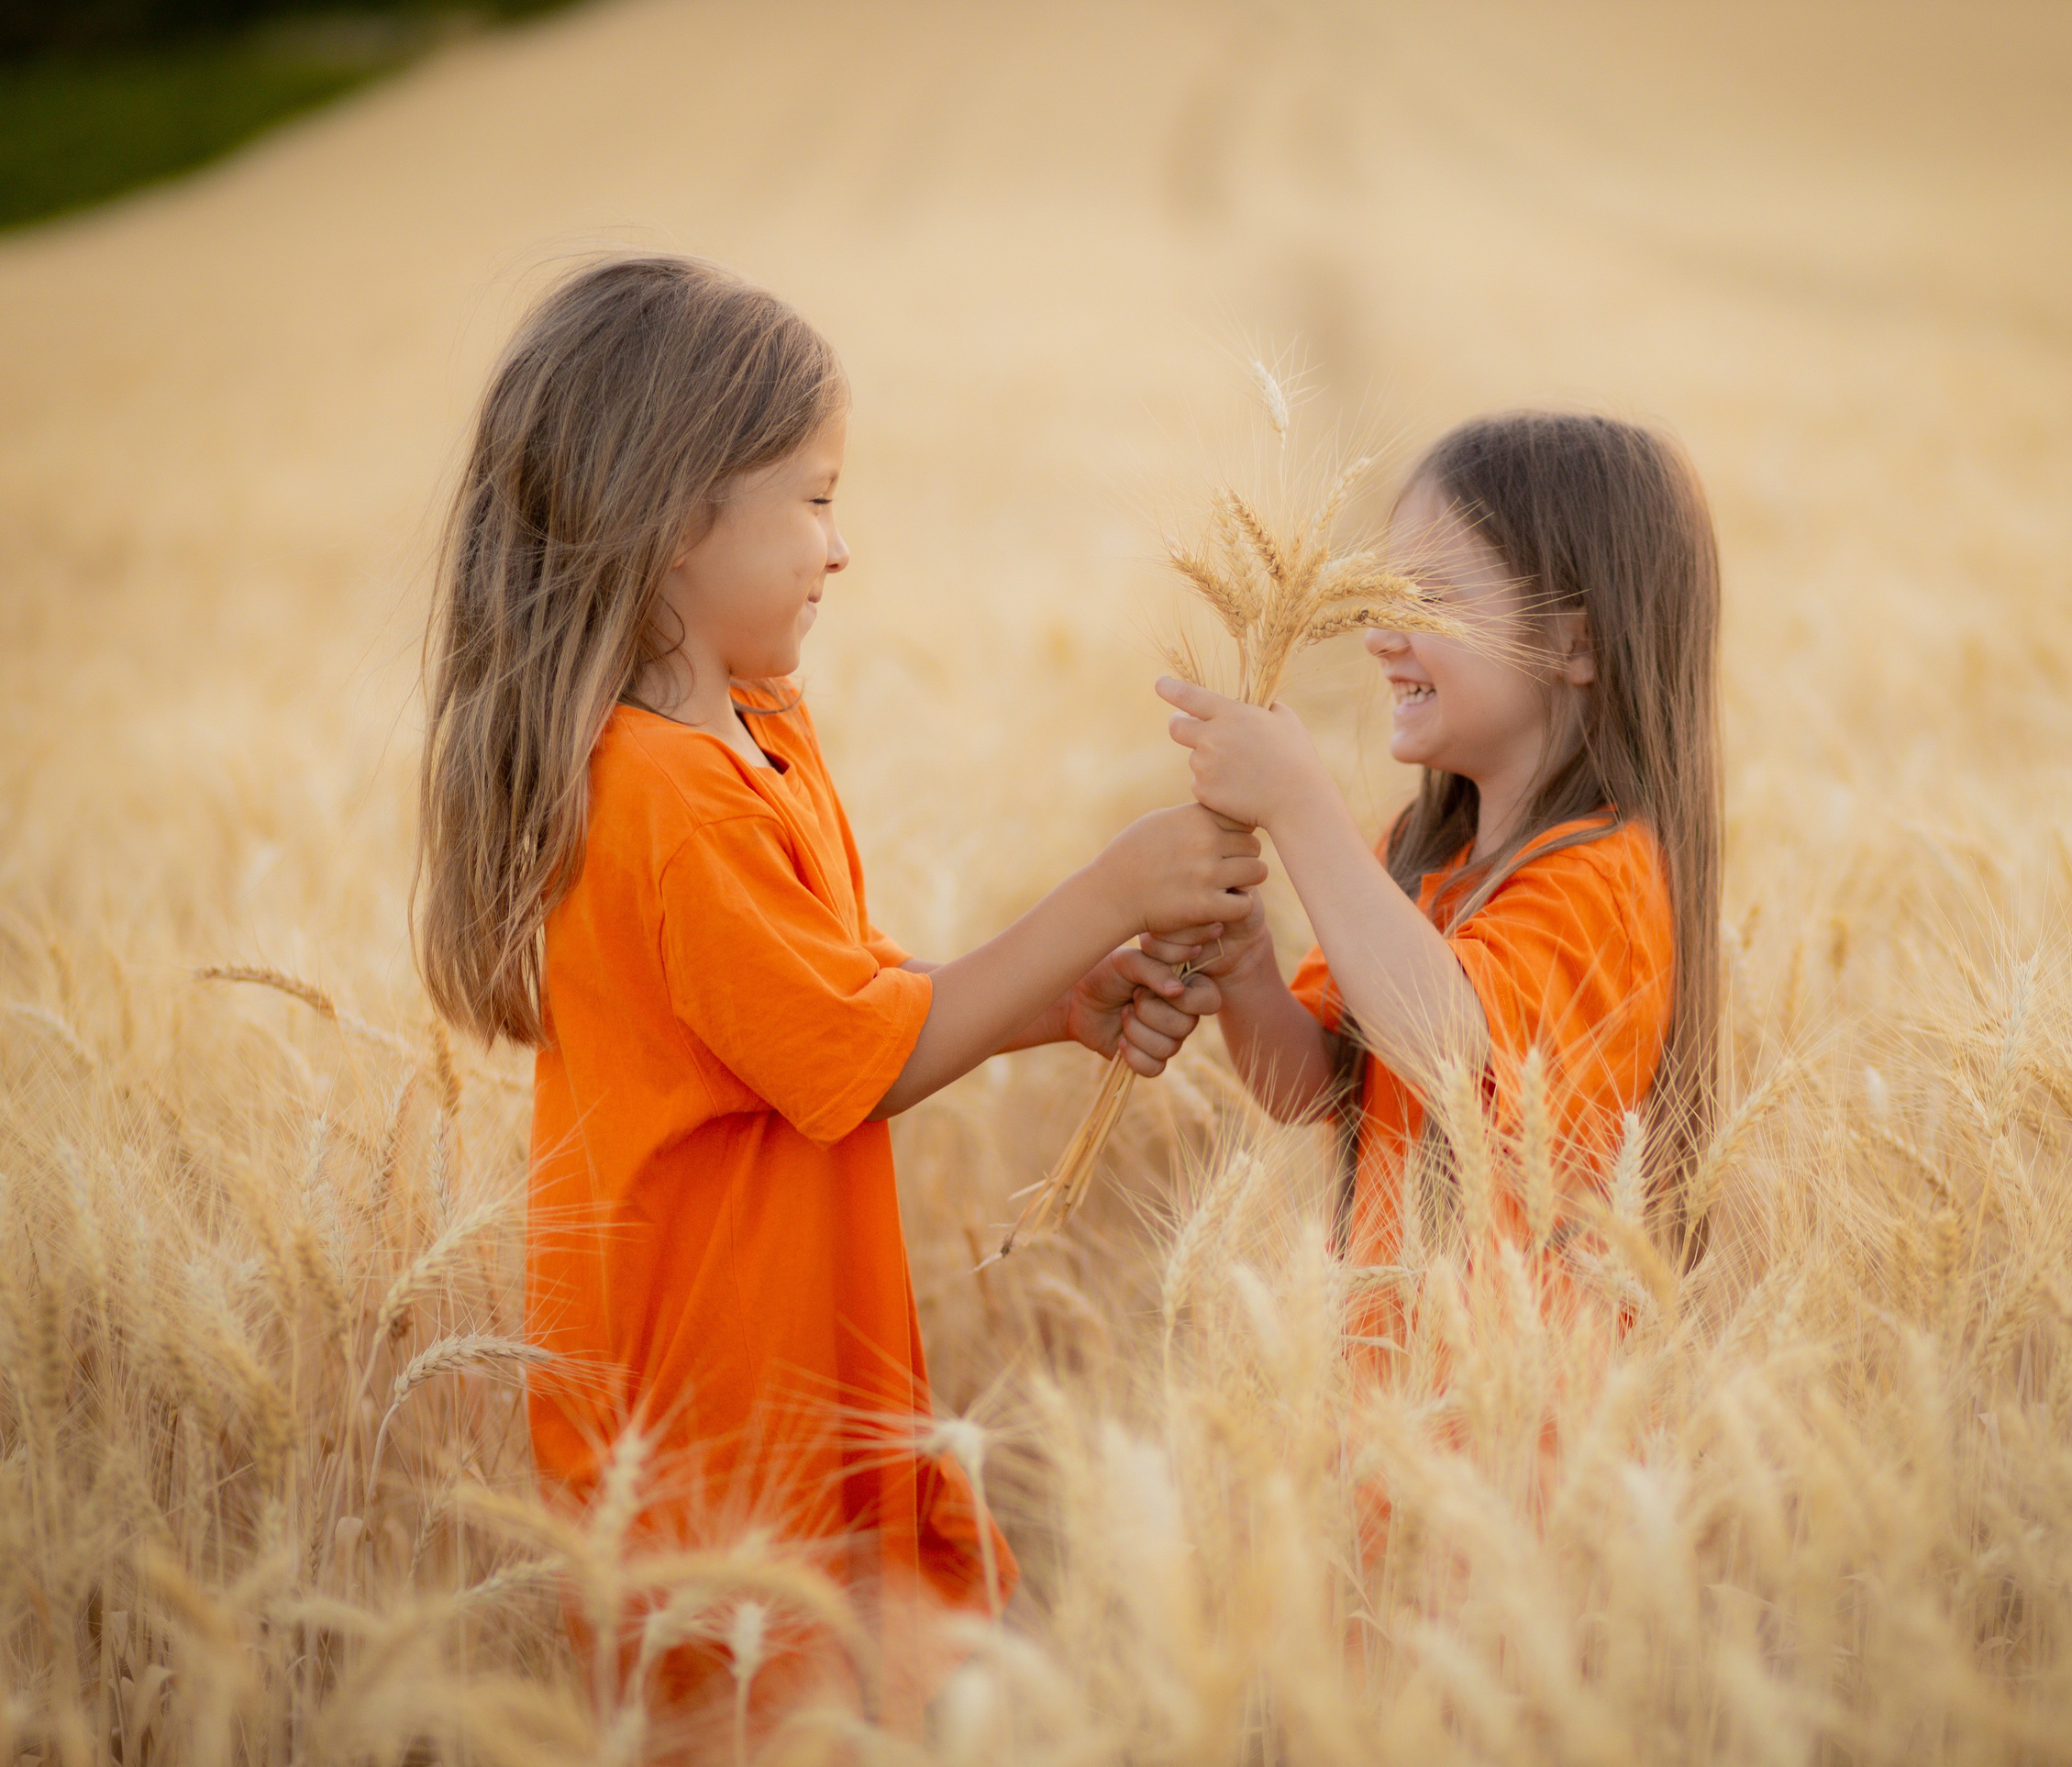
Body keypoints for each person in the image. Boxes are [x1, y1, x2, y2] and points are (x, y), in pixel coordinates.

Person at [412, 254, 1259, 1732]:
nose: (841, 546)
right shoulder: (662, 798)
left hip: (803, 1355)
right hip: (712, 1407)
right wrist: (1108, 896)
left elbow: (830, 1000)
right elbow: (850, 1059)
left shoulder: (753, 740)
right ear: (680, 517)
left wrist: (1053, 1002)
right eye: (814, 498)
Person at [1155, 410, 1722, 1303]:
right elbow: (1313, 1087)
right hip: (1393, 1398)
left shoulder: (1606, 880)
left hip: (1527, 1416)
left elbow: (1448, 1050)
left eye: (1427, 599)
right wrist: (1245, 970)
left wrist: (1301, 809)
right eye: (1382, 597)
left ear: (1574, 642)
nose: (1380, 634)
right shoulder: (1419, 855)